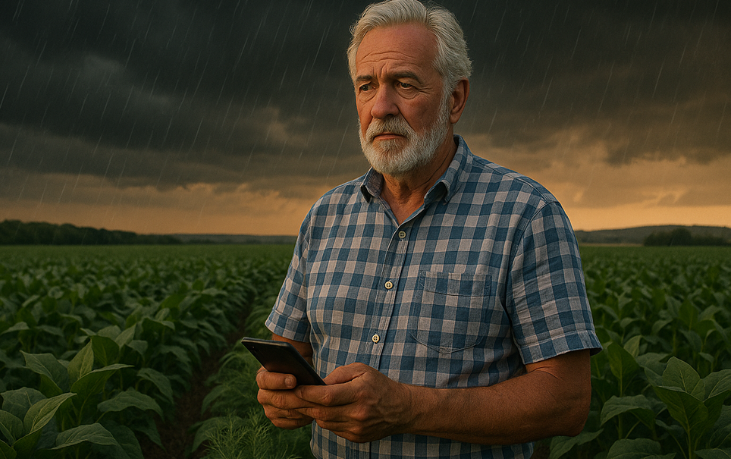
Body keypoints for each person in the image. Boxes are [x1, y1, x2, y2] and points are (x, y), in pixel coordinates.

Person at [257, 0, 602, 457]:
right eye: (366, 86)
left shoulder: (526, 214)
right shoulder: (325, 217)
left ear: (455, 98)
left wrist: (407, 407)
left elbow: (567, 402)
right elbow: (291, 350)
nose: (381, 107)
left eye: (404, 84)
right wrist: (281, 390)